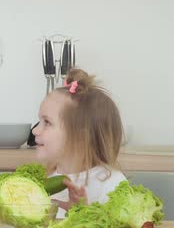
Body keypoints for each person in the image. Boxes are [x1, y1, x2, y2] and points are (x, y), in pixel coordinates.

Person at [32, 68, 127, 217]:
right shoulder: (45, 178)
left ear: (80, 136)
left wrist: (82, 214)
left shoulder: (112, 184)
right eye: (39, 121)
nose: (35, 131)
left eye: (47, 123)